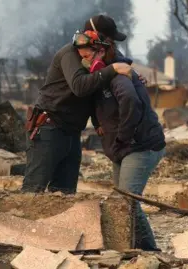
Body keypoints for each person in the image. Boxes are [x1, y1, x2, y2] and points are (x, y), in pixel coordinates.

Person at [77, 16, 166, 250]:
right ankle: (135, 251)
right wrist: (98, 121)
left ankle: (150, 252)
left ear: (101, 46)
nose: (83, 59)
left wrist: (122, 138)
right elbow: (98, 100)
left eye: (87, 54)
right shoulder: (106, 72)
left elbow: (130, 101)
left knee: (127, 203)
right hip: (125, 147)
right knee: (122, 203)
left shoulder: (118, 73)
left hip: (140, 145)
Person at [22, 15, 135, 194]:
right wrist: (112, 69)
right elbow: (80, 87)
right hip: (50, 127)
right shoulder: (70, 54)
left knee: (64, 193)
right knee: (33, 190)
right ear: (96, 37)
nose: (112, 45)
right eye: (110, 40)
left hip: (72, 131)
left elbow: (115, 68)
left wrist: (131, 74)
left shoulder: (100, 55)